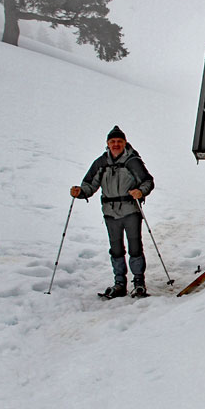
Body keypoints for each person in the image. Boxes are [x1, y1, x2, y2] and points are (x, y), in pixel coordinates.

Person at [71, 125, 155, 298]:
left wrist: (140, 191)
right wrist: (80, 192)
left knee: (135, 246)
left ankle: (139, 282)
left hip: (131, 210)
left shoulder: (133, 162)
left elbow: (147, 181)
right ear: (107, 144)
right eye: (112, 141)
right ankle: (120, 283)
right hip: (110, 212)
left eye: (119, 141)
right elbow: (90, 185)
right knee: (116, 249)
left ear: (125, 142)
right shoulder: (101, 163)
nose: (116, 144)